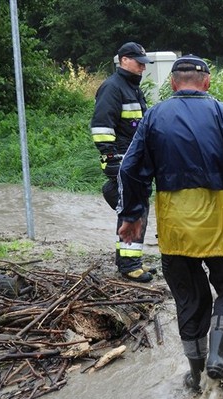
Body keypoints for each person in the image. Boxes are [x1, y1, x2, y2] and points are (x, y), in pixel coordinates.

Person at [117, 55, 223, 391]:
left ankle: (196, 376)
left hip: (175, 227)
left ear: (173, 83)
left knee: (190, 301)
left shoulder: (154, 116)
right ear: (206, 82)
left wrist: (131, 215)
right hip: (218, 224)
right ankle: (219, 357)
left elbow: (130, 170)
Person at [90, 41, 154, 283]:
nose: (143, 68)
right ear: (124, 60)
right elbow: (101, 128)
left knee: (134, 206)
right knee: (134, 208)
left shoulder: (131, 87)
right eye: (139, 63)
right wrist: (112, 159)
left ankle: (128, 261)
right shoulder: (113, 88)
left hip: (133, 162)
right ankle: (129, 265)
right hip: (122, 162)